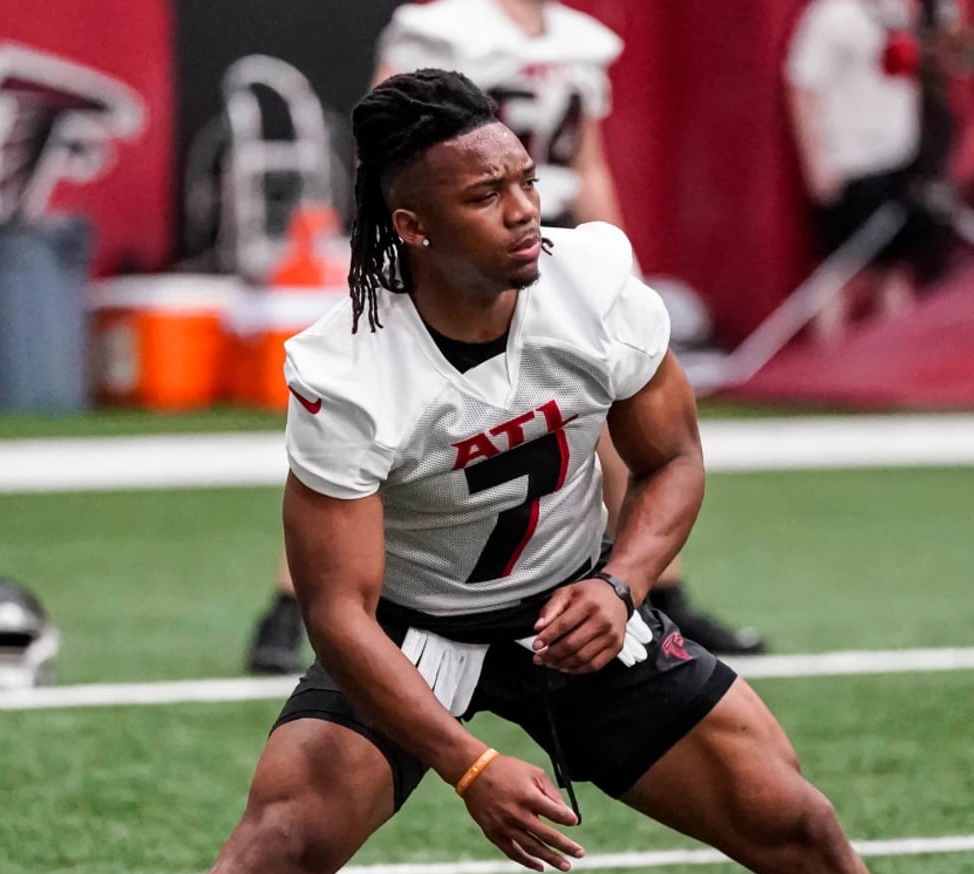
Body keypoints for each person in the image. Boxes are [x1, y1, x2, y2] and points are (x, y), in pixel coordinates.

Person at [33, 71, 972, 874]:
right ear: (414, 225)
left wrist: (624, 584)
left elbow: (673, 462)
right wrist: (469, 763)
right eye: (490, 195)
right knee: (272, 850)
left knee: (801, 827)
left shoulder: (595, 284)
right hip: (413, 625)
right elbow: (335, 610)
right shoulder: (348, 370)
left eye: (526, 178)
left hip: (578, 605)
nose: (527, 207)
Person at [247, 0, 764, 676]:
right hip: (459, 251)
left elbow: (591, 164)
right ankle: (294, 602)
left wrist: (622, 266)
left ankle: (655, 587)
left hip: (548, 240)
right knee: (366, 436)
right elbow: (384, 147)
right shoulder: (443, 29)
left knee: (609, 416)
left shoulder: (582, 42)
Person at [786, 0, 955, 337]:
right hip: (851, 160)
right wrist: (816, 161)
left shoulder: (900, 13)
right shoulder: (832, 16)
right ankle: (825, 360)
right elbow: (802, 87)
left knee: (895, 266)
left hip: (900, 156)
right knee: (839, 266)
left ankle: (891, 354)